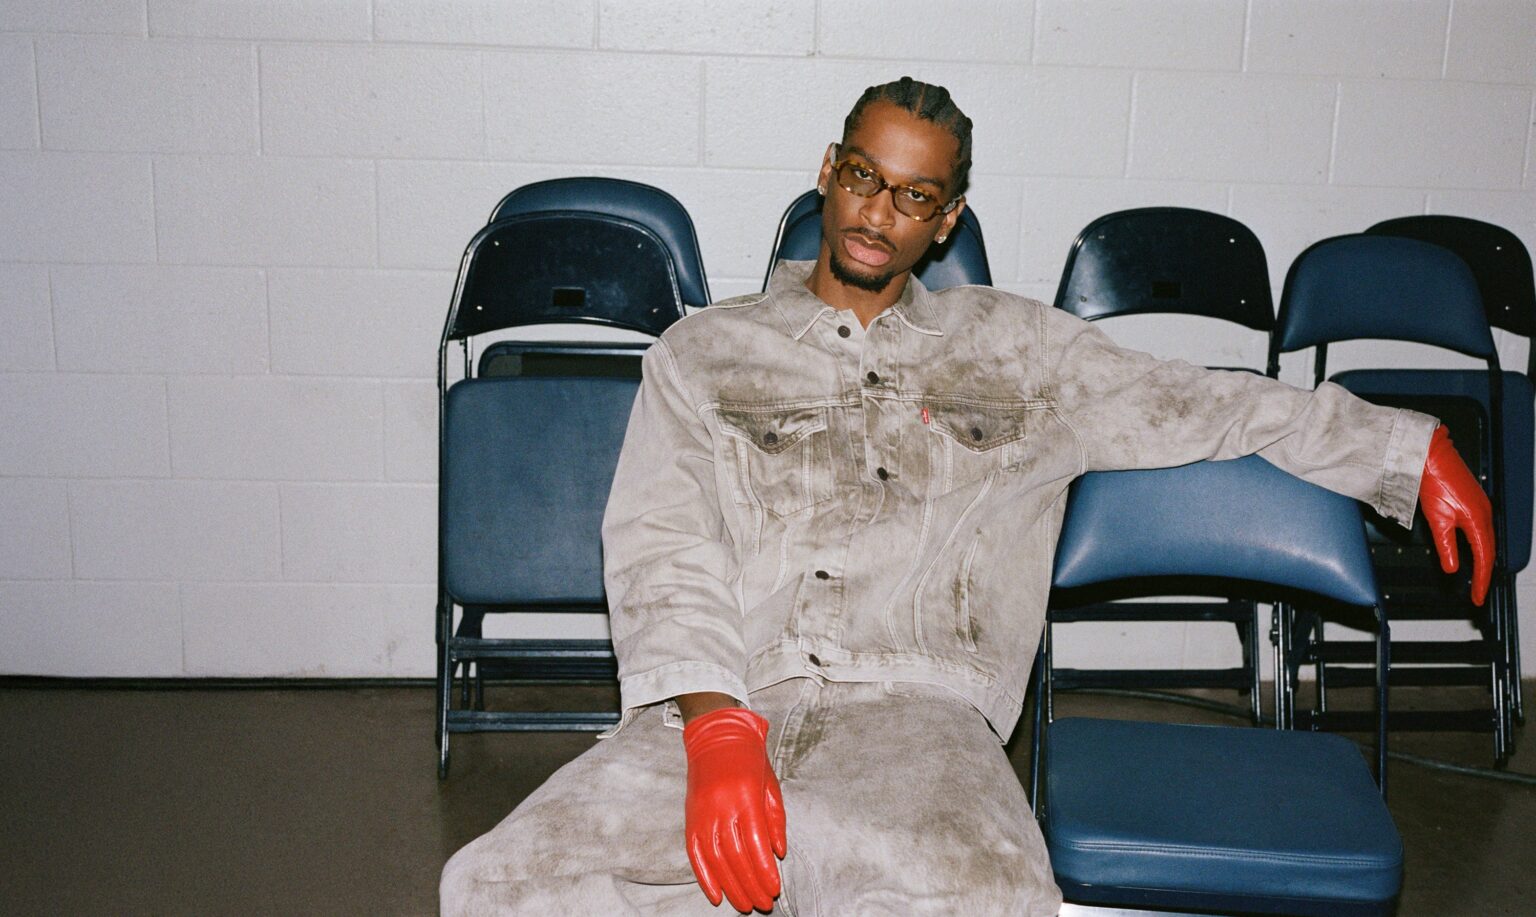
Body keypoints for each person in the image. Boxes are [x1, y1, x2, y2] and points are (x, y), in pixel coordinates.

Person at [440, 77, 1493, 916]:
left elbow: (1200, 401)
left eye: (913, 195)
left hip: (920, 730)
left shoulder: (1018, 349)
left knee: (989, 896)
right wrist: (717, 729)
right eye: (864, 176)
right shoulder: (701, 351)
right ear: (828, 172)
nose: (877, 212)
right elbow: (662, 540)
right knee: (501, 884)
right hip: (719, 705)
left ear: (945, 219)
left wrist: (1405, 448)